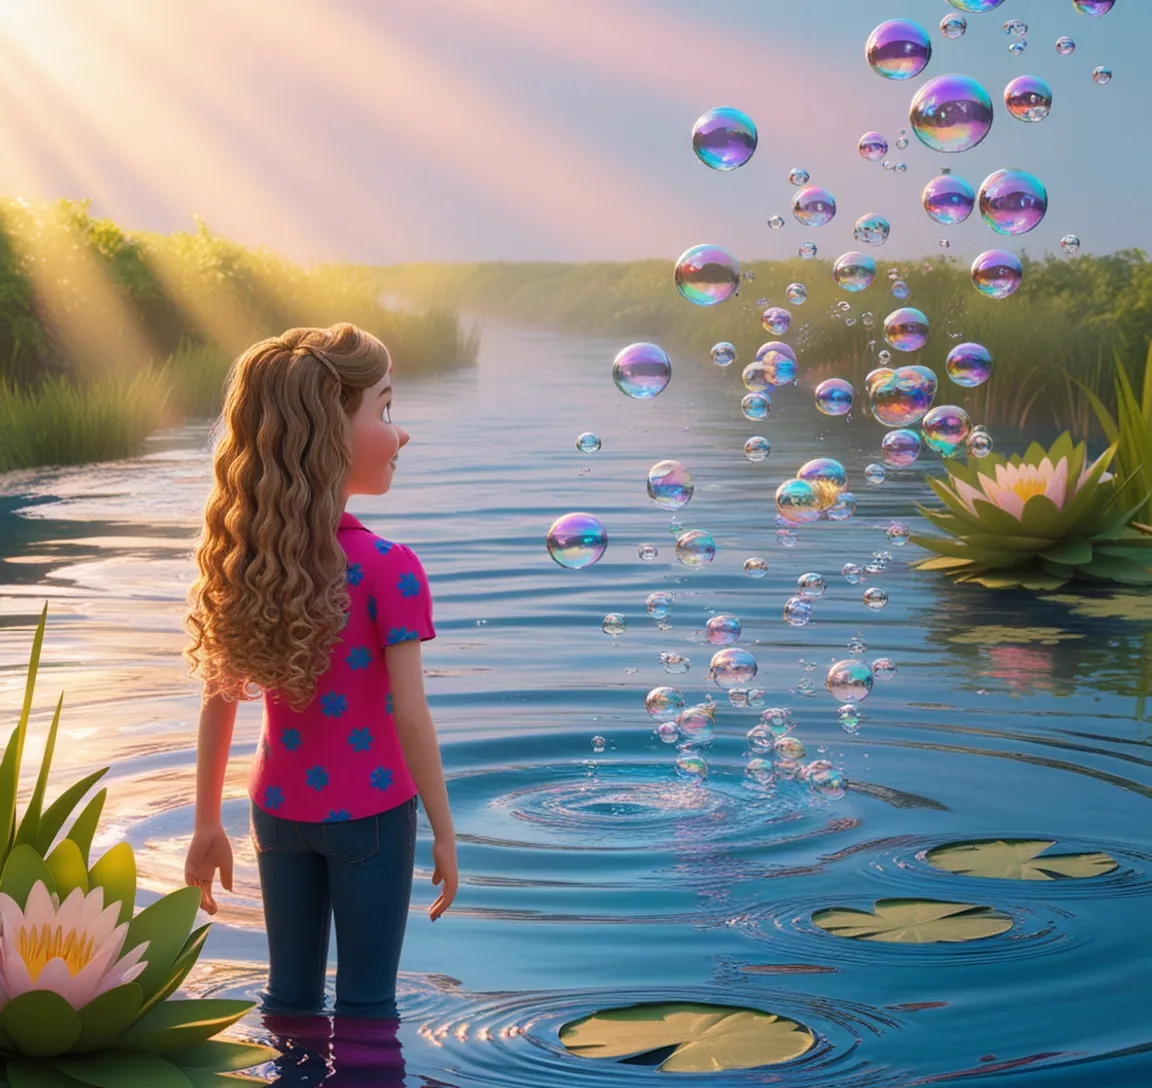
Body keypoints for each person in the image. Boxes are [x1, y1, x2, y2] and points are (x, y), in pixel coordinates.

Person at [181, 322, 457, 1024]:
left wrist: (206, 823)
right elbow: (410, 715)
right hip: (370, 811)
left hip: (276, 810)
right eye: (385, 412)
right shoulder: (390, 568)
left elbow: (220, 694)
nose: (401, 435)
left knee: (289, 997)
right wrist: (446, 832)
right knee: (367, 1005)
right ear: (333, 435)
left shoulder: (251, 561)